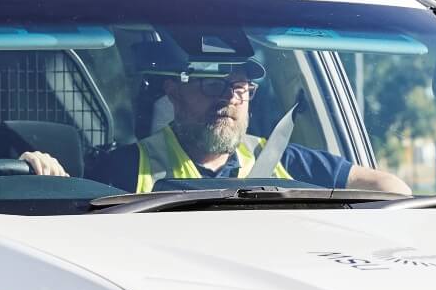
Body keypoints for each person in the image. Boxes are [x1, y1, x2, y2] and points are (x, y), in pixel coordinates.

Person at [88, 53, 409, 194]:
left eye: (239, 88)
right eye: (213, 84)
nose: (229, 98)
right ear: (174, 92)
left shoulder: (282, 161)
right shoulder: (124, 170)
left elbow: (389, 188)